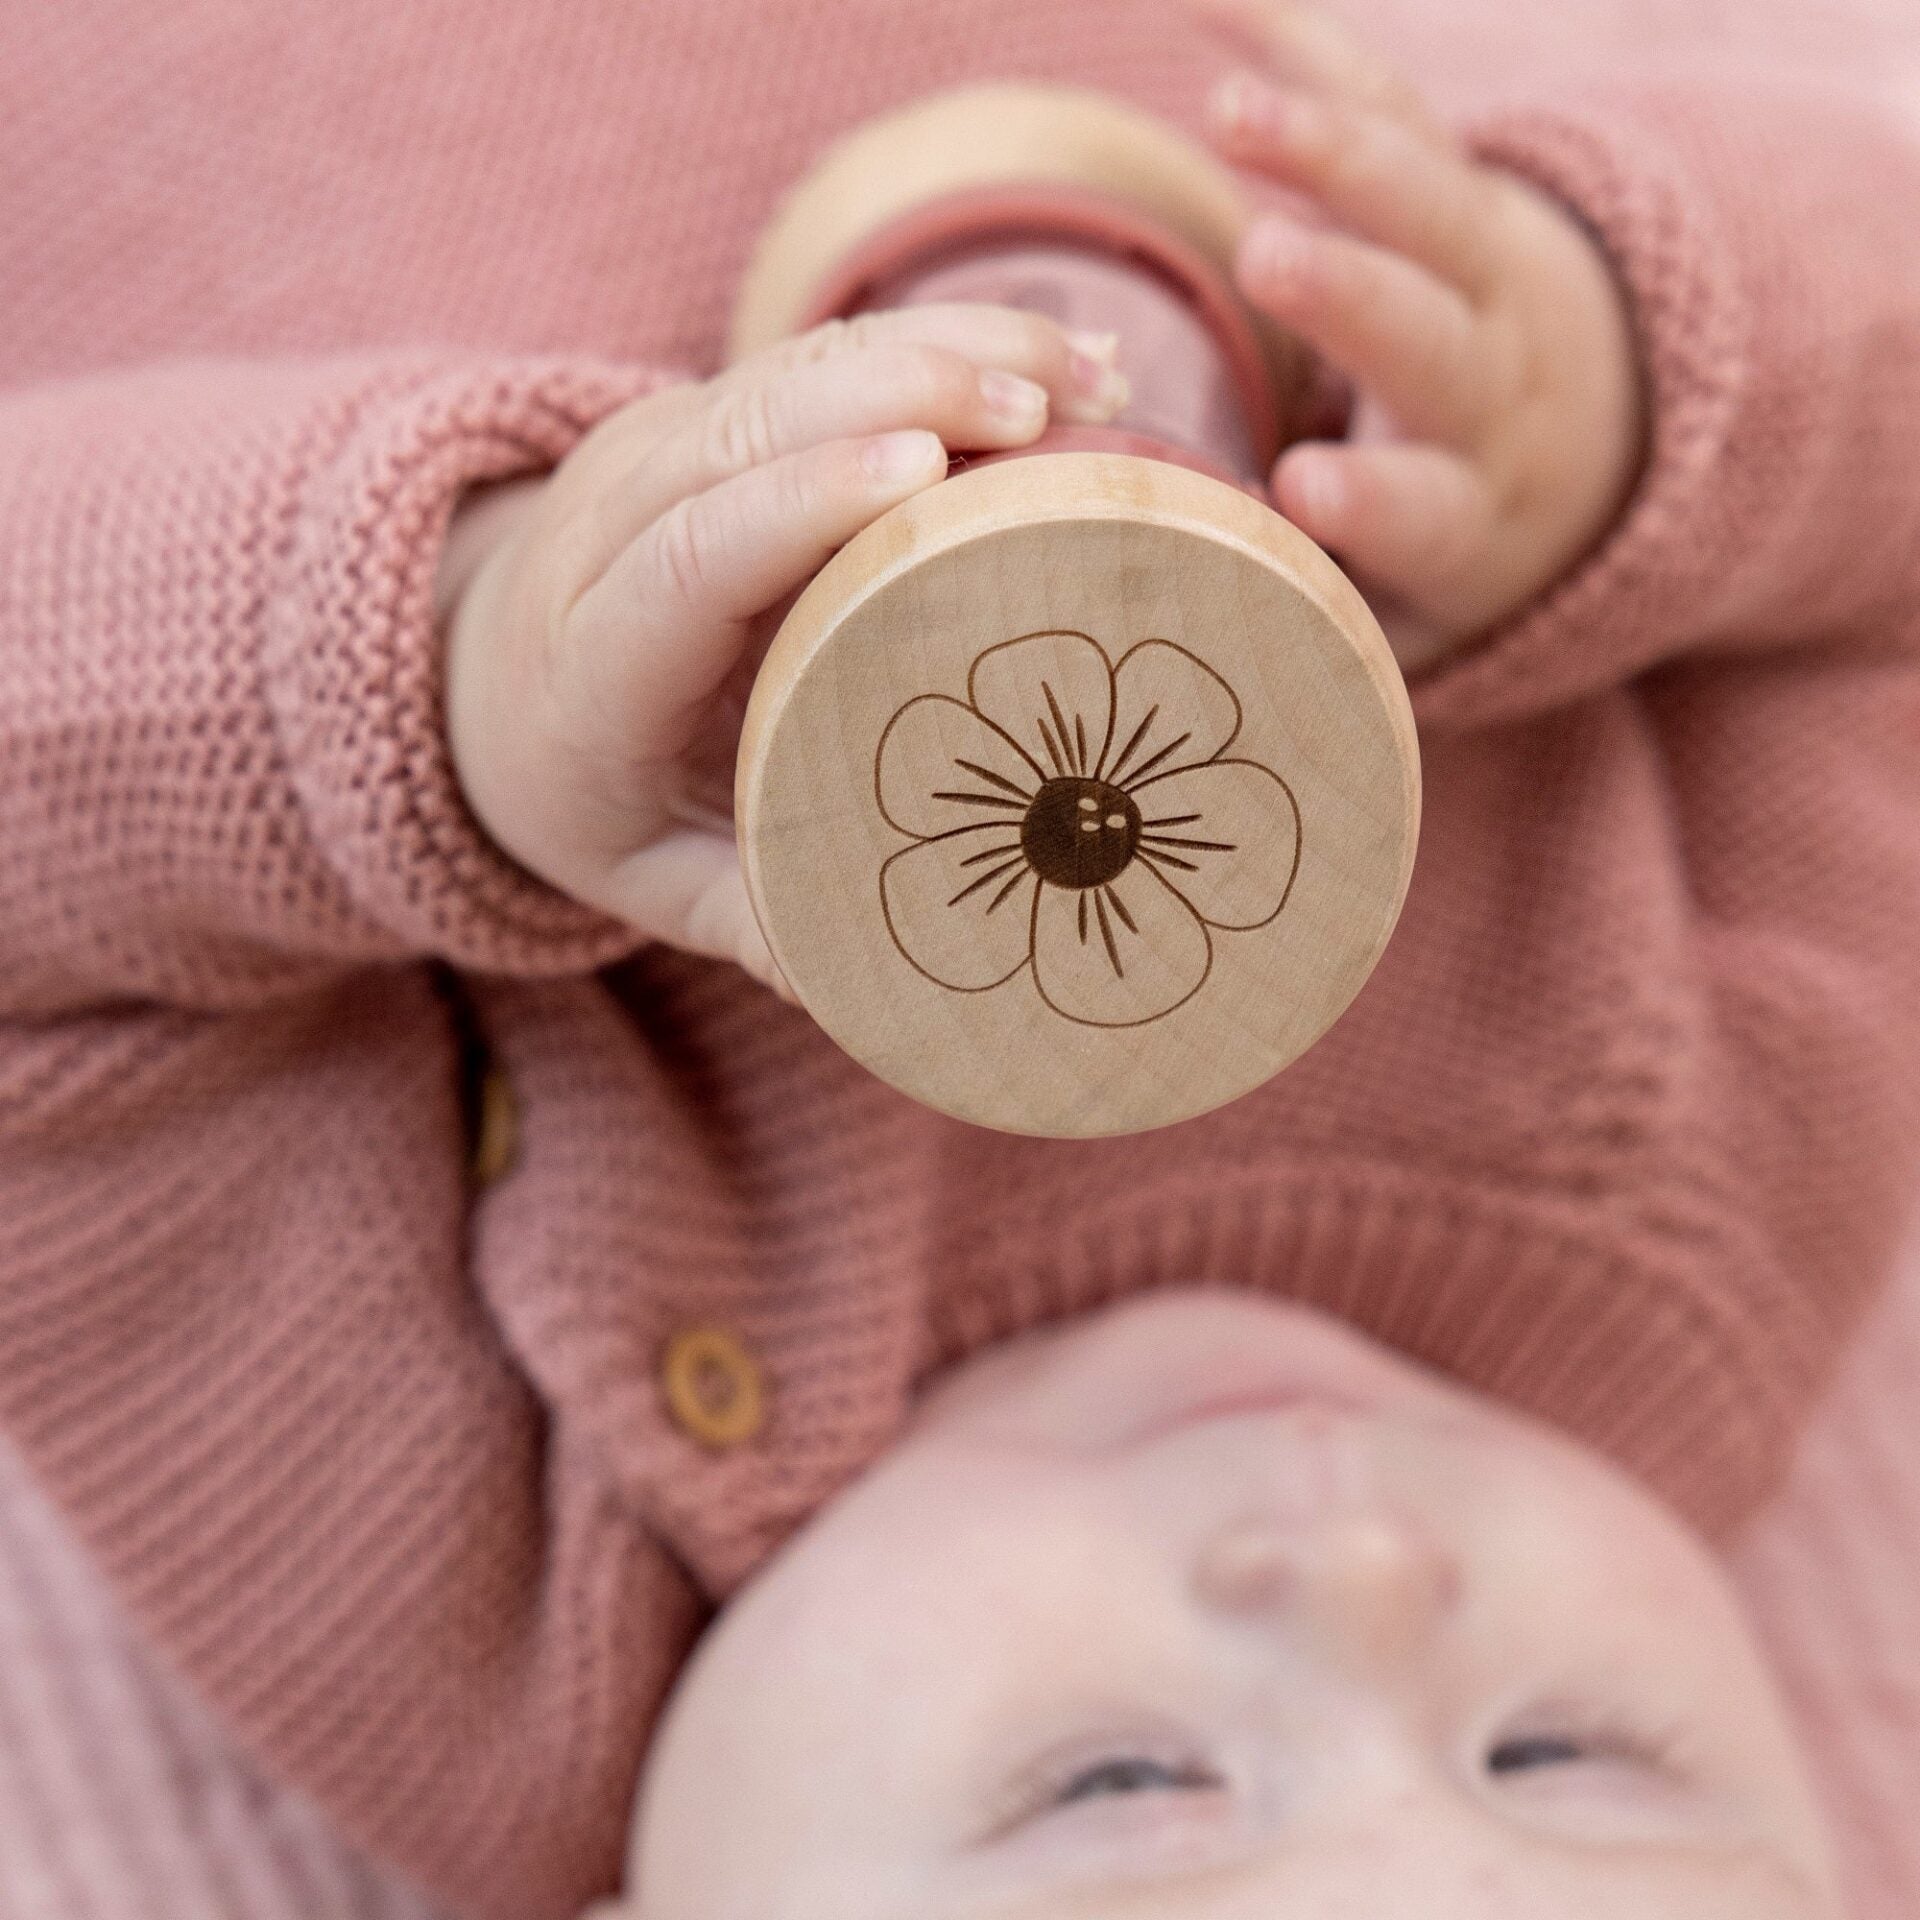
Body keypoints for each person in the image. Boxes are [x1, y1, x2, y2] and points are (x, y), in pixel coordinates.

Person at [1, 1, 1917, 1917]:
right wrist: (1609, 400)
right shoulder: (1708, 1221)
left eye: (1119, 1782)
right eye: (1563, 1752)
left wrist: (445, 675)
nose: (1352, 1571)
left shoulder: (451, 1598)